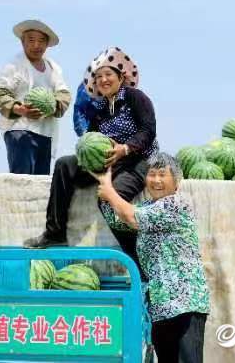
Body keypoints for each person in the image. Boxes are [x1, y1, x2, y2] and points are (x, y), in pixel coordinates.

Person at [24, 47, 158, 270]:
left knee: (108, 198)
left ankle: (136, 256)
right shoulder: (100, 108)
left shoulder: (136, 98)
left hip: (135, 162)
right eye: (99, 77)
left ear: (121, 77)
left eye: (109, 75)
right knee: (65, 165)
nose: (103, 80)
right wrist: (88, 151)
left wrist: (125, 149)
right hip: (105, 162)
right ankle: (55, 234)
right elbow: (92, 138)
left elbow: (148, 130)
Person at [95, 153, 211, 363]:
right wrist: (105, 184)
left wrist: (110, 192)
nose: (156, 180)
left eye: (162, 175)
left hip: (184, 303)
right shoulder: (149, 206)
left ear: (176, 182)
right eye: (151, 174)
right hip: (160, 305)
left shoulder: (176, 205)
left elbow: (132, 217)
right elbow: (118, 219)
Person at [0, 20, 71, 175]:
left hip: (45, 133)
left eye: (41, 41)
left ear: (47, 44)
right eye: (31, 40)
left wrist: (53, 106)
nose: (36, 45)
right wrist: (20, 109)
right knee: (22, 179)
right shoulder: (13, 65)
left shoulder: (53, 68)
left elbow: (64, 94)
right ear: (22, 42)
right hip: (20, 131)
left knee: (41, 182)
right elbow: (1, 94)